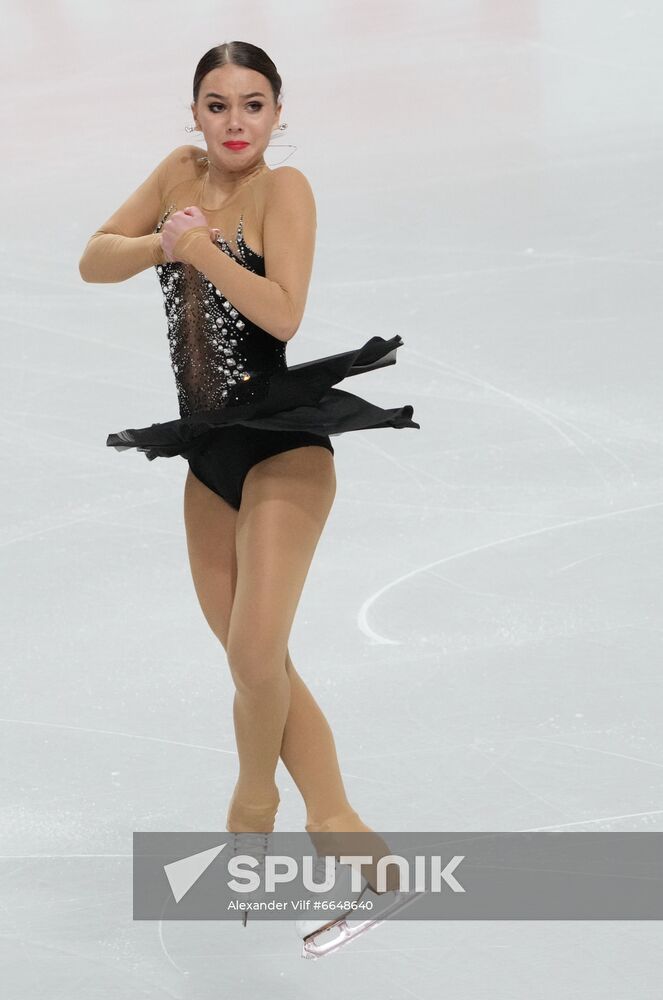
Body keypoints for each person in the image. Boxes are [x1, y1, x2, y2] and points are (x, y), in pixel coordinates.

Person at [78, 41, 419, 848]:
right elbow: (94, 259)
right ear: (195, 112)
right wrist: (159, 243)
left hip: (281, 447)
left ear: (277, 113)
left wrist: (197, 249)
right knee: (252, 663)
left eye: (254, 104)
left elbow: (283, 314)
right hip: (207, 454)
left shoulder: (283, 189)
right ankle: (335, 814)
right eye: (218, 105)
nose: (236, 122)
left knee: (258, 650)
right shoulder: (176, 172)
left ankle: (254, 803)